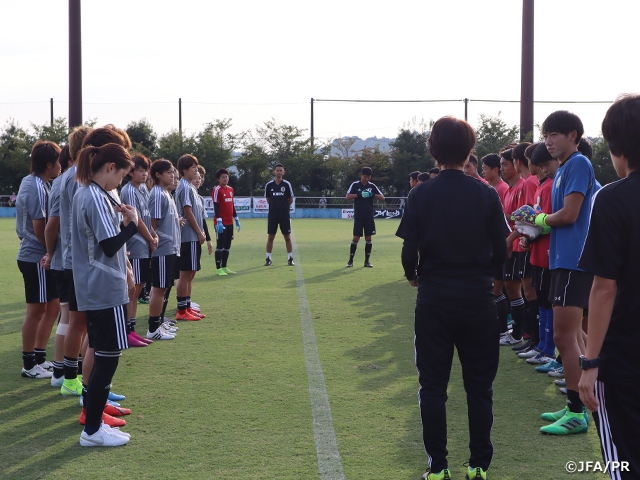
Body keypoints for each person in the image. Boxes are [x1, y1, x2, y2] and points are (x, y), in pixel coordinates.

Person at [398, 116, 508, 480]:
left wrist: (414, 276)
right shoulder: (487, 192)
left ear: (432, 148)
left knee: (432, 386)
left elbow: (408, 250)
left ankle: (438, 467)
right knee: (479, 386)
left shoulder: (420, 193)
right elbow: (501, 250)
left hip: (435, 300)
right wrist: (489, 278)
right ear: (470, 150)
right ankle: (479, 465)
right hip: (477, 300)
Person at [513, 111, 597, 435]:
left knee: (565, 336)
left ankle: (578, 411)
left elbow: (570, 214)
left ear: (573, 135)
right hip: (563, 260)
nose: (548, 140)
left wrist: (540, 221)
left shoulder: (577, 164)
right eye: (545, 134)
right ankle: (575, 405)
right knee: (571, 335)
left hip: (575, 261)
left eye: (554, 134)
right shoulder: (562, 169)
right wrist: (538, 223)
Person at [578, 94, 640, 478]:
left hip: (624, 357)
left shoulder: (613, 198)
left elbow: (604, 288)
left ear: (617, 148)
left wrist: (591, 363)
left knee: (624, 459)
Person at [72, 142, 137, 447]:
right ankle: (93, 430)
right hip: (102, 286)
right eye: (121, 176)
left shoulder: (92, 192)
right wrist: (132, 225)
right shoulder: (93, 195)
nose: (120, 183)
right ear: (110, 168)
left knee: (103, 357)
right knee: (107, 360)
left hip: (98, 285)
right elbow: (109, 245)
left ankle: (95, 425)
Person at [16, 140, 62, 379]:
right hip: (36, 256)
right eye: (58, 161)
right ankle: (29, 364)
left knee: (52, 306)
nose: (61, 166)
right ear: (48, 164)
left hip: (40, 255)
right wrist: (53, 252)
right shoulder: (34, 186)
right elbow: (39, 229)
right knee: (36, 310)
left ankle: (39, 357)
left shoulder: (39, 183)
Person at [120, 154, 157, 346]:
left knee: (139, 287)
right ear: (131, 172)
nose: (144, 174)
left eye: (146, 170)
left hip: (144, 246)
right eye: (140, 170)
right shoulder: (128, 191)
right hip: (135, 245)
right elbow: (137, 220)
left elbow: (146, 216)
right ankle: (126, 331)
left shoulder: (142, 189)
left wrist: (153, 235)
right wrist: (151, 237)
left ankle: (131, 330)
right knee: (132, 290)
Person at [43, 145, 72, 385]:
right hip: (71, 262)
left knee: (67, 317)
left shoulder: (58, 182)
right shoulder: (71, 181)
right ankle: (66, 372)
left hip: (64, 260)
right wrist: (50, 254)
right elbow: (51, 224)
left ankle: (60, 371)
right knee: (73, 318)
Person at [147, 160, 181, 338]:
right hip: (162, 249)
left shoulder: (166, 194)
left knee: (164, 288)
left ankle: (159, 323)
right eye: (168, 172)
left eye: (173, 172)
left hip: (169, 248)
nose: (173, 175)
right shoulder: (158, 195)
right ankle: (153, 329)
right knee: (159, 288)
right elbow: (151, 224)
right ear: (158, 175)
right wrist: (155, 242)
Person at [498, 148, 527, 346]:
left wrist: (510, 239)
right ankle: (518, 332)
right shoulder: (510, 189)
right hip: (512, 245)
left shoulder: (525, 185)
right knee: (511, 288)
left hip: (520, 245)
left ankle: (522, 334)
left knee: (525, 291)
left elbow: (528, 216)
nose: (502, 168)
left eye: (504, 164)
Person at [174, 154, 206, 321]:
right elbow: (187, 211)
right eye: (193, 167)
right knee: (185, 274)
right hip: (188, 237)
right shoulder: (185, 187)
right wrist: (199, 232)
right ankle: (181, 310)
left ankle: (186, 306)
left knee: (191, 272)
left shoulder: (190, 187)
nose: (196, 169)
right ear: (184, 170)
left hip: (193, 236)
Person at [345, 167, 384, 268]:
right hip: (358, 216)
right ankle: (350, 261)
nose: (367, 179)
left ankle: (367, 261)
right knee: (356, 238)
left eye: (369, 177)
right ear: (361, 175)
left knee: (368, 238)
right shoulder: (355, 184)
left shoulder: (372, 186)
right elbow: (348, 197)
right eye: (365, 176)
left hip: (369, 216)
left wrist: (373, 194)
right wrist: (359, 194)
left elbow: (382, 198)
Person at [264, 163, 294, 266]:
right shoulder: (269, 185)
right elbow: (268, 199)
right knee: (271, 237)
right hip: (273, 215)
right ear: (274, 172)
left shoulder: (286, 185)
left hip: (284, 215)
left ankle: (290, 258)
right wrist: (275, 206)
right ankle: (268, 258)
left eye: (281, 170)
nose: (279, 172)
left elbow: (290, 199)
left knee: (287, 237)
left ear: (284, 172)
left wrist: (284, 207)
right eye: (277, 170)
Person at [212, 168, 240, 275]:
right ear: (218, 179)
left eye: (226, 177)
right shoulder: (217, 189)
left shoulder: (231, 190)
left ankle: (225, 267)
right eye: (223, 177)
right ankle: (218, 268)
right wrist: (219, 220)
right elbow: (216, 204)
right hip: (221, 223)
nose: (225, 179)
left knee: (227, 245)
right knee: (220, 245)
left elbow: (232, 205)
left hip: (230, 222)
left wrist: (236, 218)